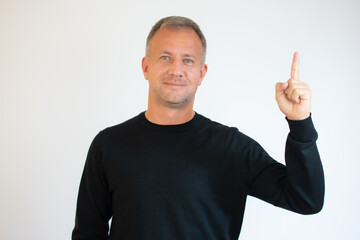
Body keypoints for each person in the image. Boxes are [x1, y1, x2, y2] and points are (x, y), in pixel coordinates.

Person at [72, 16, 324, 240]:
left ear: (201, 73)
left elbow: (306, 199)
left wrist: (300, 123)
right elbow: (88, 233)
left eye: (188, 60)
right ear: (146, 67)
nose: (176, 70)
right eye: (165, 57)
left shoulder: (232, 148)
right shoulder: (108, 145)